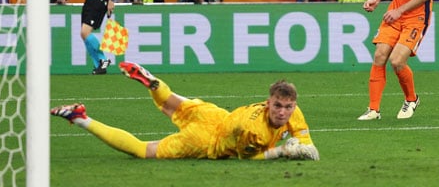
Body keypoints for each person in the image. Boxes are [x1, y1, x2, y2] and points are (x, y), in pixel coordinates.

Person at [51, 61, 319, 160]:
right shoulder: (254, 131)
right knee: (143, 150)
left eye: (287, 107)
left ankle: (154, 83)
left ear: (293, 105)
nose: (283, 112)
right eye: (278, 106)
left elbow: (306, 139)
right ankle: (81, 118)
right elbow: (249, 158)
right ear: (268, 102)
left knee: (170, 102)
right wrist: (282, 151)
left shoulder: (294, 111)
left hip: (214, 114)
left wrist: (306, 145)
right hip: (204, 140)